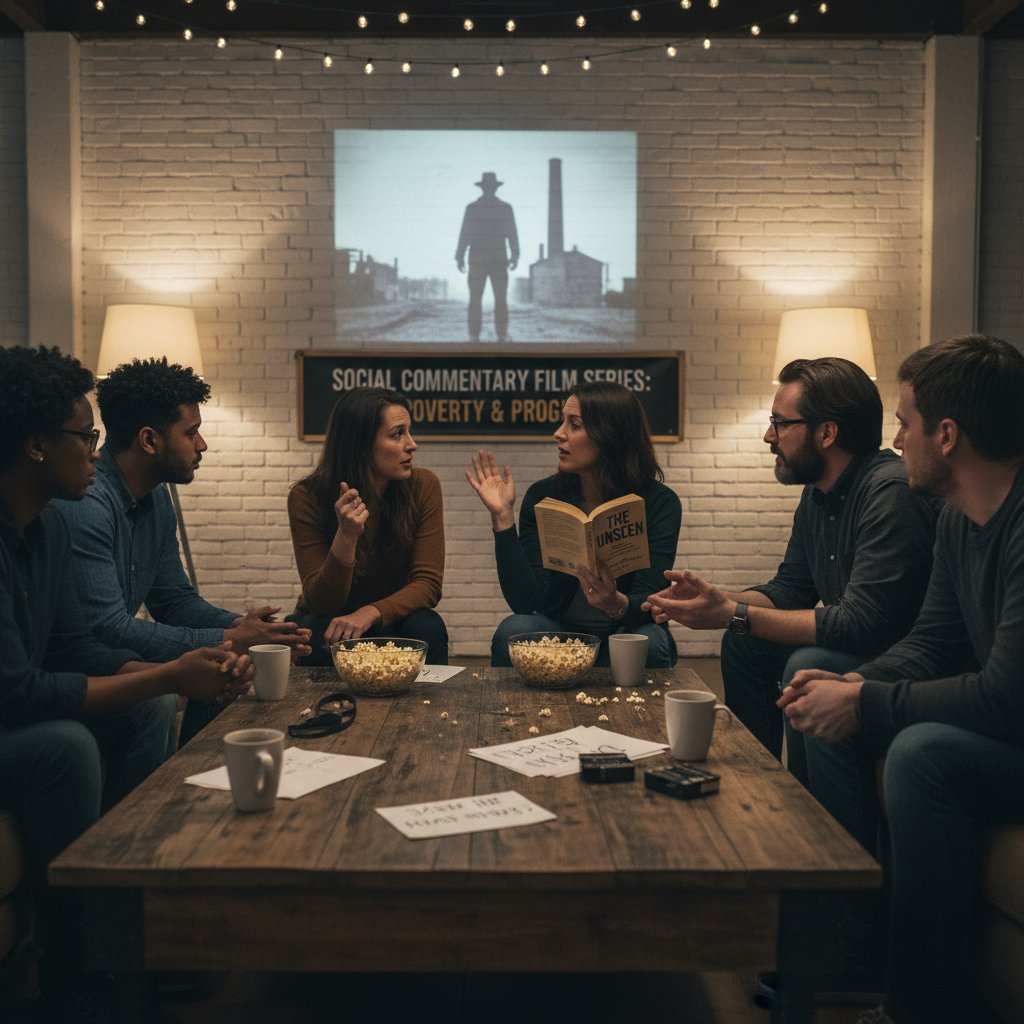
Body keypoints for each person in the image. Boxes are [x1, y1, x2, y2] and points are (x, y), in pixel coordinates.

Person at [0, 345, 253, 1023]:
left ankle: (152, 902)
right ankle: (76, 962)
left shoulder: (47, 525)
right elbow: (22, 690)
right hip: (18, 720)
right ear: (34, 445)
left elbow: (79, 646)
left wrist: (207, 657)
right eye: (84, 439)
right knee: (66, 746)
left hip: (33, 699)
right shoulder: (75, 513)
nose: (94, 452)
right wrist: (168, 672)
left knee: (156, 707)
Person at [779, 335, 1024, 1024]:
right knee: (823, 679)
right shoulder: (956, 520)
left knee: (922, 756)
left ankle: (917, 1008)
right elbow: (931, 644)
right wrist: (850, 690)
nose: (894, 437)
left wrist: (869, 702)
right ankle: (837, 930)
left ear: (946, 435)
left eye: (904, 421)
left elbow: (1007, 695)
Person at [643, 357, 937, 778]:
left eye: (780, 423)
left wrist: (734, 615)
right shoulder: (818, 494)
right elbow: (790, 590)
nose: (769, 436)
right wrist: (716, 598)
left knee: (804, 658)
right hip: (860, 639)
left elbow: (863, 625)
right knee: (744, 642)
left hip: (895, 659)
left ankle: (825, 830)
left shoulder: (888, 492)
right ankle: (757, 780)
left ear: (827, 433)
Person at [54, 357, 310, 745]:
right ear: (149, 440)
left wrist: (248, 631)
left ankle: (195, 787)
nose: (202, 445)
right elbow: (106, 628)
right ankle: (150, 804)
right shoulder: (86, 503)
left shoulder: (156, 499)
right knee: (201, 671)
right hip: (86, 667)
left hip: (119, 658)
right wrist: (229, 636)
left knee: (225, 665)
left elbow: (175, 600)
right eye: (192, 433)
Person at [467, 380, 681, 667]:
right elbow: (526, 602)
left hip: (624, 628)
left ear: (609, 435)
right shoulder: (543, 496)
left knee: (650, 643)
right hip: (561, 633)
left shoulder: (659, 502)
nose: (558, 433)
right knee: (514, 630)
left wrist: (615, 603)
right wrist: (502, 518)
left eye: (574, 425)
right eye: (562, 422)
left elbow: (649, 599)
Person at [288, 387, 447, 664]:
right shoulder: (307, 496)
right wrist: (346, 539)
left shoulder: (424, 485)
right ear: (360, 445)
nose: (412, 444)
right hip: (331, 618)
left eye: (409, 432)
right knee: (315, 629)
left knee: (426, 625)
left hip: (392, 617)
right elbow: (321, 602)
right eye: (397, 434)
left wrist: (370, 612)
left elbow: (428, 584)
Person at [455, 171, 520, 342]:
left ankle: (475, 337)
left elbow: (465, 234)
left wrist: (460, 256)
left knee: (476, 299)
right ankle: (500, 336)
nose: (490, 190)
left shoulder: (473, 208)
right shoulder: (505, 208)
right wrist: (515, 254)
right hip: (498, 257)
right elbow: (512, 234)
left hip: (478, 258)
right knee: (499, 299)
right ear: (493, 188)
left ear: (483, 188)